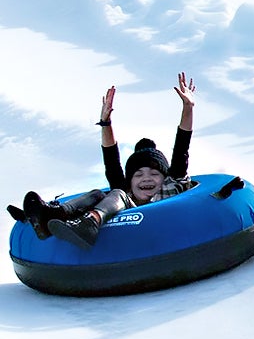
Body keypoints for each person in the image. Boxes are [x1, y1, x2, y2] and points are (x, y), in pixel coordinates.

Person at [7, 72, 197, 249]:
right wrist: (105, 124)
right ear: (130, 181)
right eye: (138, 174)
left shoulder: (171, 187)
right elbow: (111, 162)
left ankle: (91, 222)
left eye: (154, 174)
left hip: (164, 233)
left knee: (117, 194)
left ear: (164, 178)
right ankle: (53, 215)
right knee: (98, 194)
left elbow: (181, 149)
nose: (146, 178)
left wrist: (188, 107)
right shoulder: (126, 193)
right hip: (125, 227)